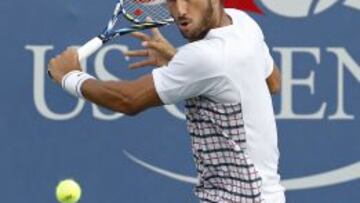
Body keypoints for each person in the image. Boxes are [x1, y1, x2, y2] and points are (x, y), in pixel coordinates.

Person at [48, 0, 285, 202]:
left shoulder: (206, 57)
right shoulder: (243, 23)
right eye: (171, 0)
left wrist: (70, 76)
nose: (180, 10)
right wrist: (181, 63)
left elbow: (128, 100)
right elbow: (273, 83)